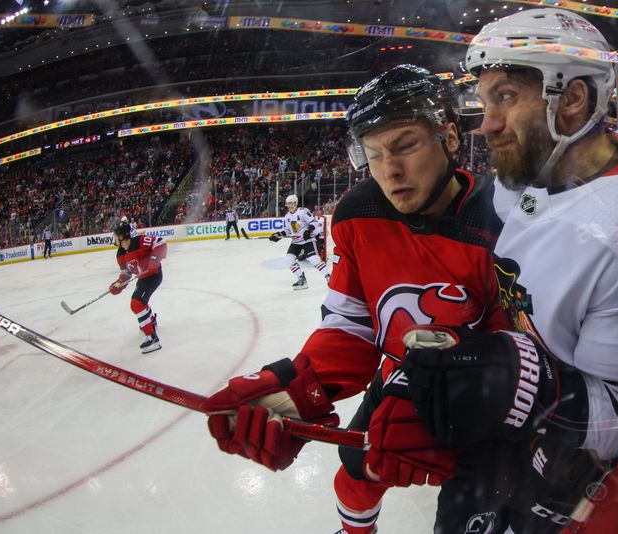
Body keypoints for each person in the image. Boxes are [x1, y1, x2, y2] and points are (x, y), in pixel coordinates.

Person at [394, 8, 618, 532]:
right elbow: (512, 217)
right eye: (485, 102)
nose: (486, 124)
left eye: (505, 96)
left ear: (572, 99)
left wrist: (528, 383)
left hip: (562, 457)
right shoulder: (551, 160)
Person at [201, 64, 514, 534]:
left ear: (449, 138)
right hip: (397, 383)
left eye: (406, 144)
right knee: (354, 471)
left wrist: (461, 396)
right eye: (373, 154)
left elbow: (520, 348)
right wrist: (300, 387)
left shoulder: (501, 220)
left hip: (484, 402)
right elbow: (352, 324)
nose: (390, 169)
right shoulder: (356, 213)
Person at [109, 220, 166, 354]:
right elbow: (126, 272)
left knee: (136, 304)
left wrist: (154, 258)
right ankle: (151, 320)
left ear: (123, 236)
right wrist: (119, 284)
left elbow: (159, 242)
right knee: (139, 301)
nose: (114, 238)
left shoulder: (139, 241)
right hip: (142, 277)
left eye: (116, 235)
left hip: (153, 276)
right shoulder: (120, 254)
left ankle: (152, 339)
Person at [268, 194, 330, 289]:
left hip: (307, 240)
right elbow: (288, 230)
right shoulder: (287, 216)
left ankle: (329, 278)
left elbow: (314, 222)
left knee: (314, 259)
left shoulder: (303, 212)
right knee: (289, 259)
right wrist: (278, 235)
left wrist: (308, 230)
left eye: (290, 203)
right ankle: (301, 279)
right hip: (296, 242)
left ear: (295, 203)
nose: (288, 205)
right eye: (287, 203)